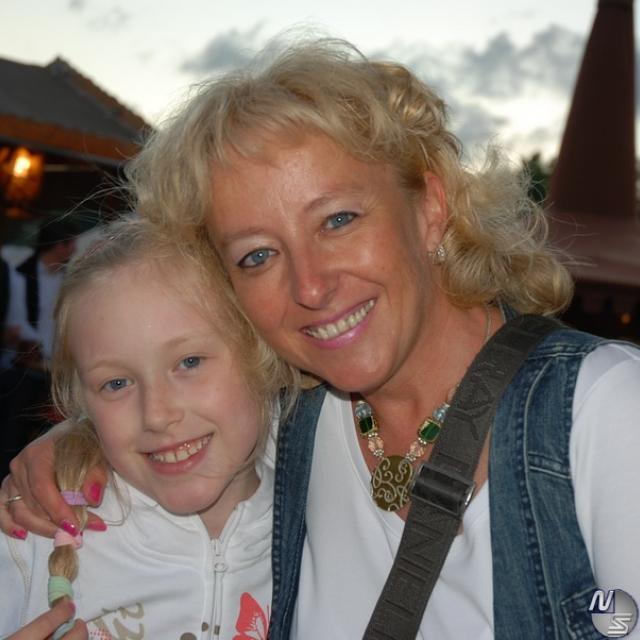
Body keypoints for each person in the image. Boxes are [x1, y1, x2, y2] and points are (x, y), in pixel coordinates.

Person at [3, 38, 640, 639]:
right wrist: (80, 439)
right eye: (257, 255)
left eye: (338, 220)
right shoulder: (296, 421)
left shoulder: (603, 413)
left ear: (430, 207)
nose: (310, 286)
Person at [1, 215, 295, 639]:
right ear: (82, 402)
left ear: (261, 354)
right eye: (116, 383)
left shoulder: (321, 516)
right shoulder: (28, 540)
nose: (156, 415)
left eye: (189, 362)